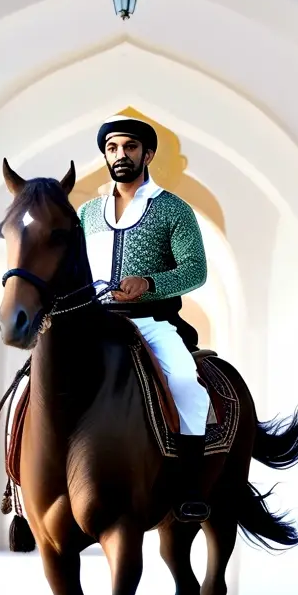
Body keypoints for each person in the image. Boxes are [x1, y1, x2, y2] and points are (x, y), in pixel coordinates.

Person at [77, 115, 212, 523]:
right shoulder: (87, 212)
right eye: (113, 148)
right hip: (94, 322)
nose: (121, 155)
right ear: (106, 155)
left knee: (187, 384)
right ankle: (23, 486)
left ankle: (190, 486)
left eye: (130, 147)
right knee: (37, 379)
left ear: (147, 154)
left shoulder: (173, 209)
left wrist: (149, 282)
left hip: (151, 322)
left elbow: (196, 270)